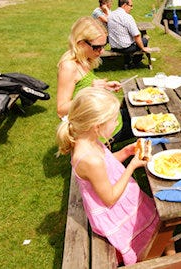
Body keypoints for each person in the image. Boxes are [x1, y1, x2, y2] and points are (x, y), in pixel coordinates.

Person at [55, 87, 159, 265]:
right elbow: (109, 198)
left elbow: (107, 165)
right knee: (156, 232)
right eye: (113, 120)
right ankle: (149, 259)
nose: (116, 123)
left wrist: (125, 152)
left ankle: (163, 250)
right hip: (113, 212)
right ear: (97, 126)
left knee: (156, 224)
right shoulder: (89, 159)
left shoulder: (87, 140)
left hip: (119, 199)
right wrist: (132, 166)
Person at [57, 17, 129, 140]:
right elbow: (61, 109)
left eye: (103, 46)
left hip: (108, 121)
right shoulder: (69, 66)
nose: (101, 51)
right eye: (97, 47)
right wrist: (91, 90)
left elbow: (82, 87)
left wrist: (105, 87)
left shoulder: (84, 60)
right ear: (80, 43)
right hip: (99, 134)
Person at [107, 0, 150, 69]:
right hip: (125, 48)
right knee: (144, 40)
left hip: (114, 47)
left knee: (127, 41)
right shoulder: (127, 17)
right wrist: (143, 48)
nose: (132, 8)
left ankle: (127, 62)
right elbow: (137, 35)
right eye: (131, 6)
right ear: (124, 5)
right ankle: (135, 62)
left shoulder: (110, 15)